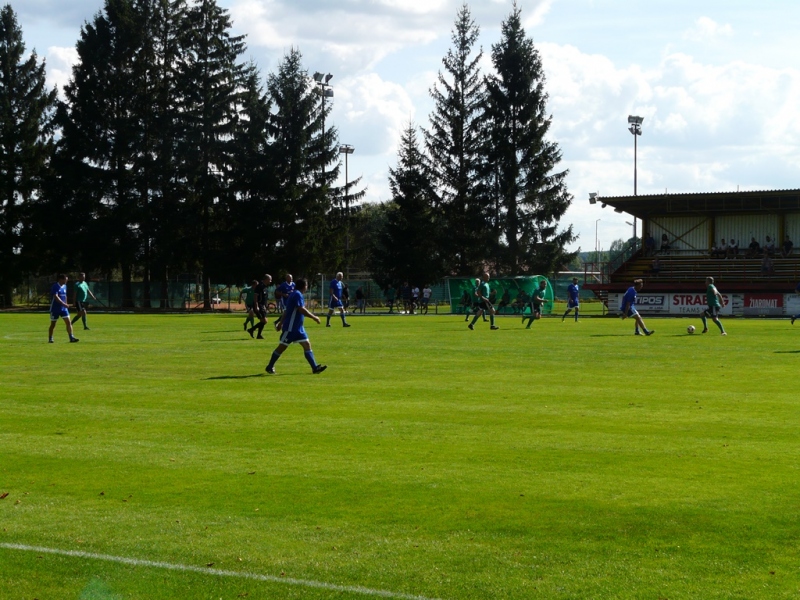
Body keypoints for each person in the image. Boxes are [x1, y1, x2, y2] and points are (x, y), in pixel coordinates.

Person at [265, 278, 327, 375]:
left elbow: (287, 310)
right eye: (306, 285)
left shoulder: (295, 294)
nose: (307, 287)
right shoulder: (297, 294)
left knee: (307, 344)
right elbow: (301, 309)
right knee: (281, 347)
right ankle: (269, 366)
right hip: (291, 328)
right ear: (304, 286)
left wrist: (280, 323)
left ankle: (315, 368)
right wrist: (314, 317)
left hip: (298, 328)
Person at [48, 274, 79, 343]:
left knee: (68, 322)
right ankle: (50, 338)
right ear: (60, 279)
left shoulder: (65, 286)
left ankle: (71, 337)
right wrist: (63, 304)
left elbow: (65, 296)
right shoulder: (55, 286)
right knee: (53, 324)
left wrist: (66, 303)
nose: (66, 281)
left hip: (64, 309)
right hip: (55, 309)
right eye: (65, 279)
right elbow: (56, 296)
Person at [248, 274, 272, 339]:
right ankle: (252, 330)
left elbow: (264, 298)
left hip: (262, 305)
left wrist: (266, 305)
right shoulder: (259, 286)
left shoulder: (265, 287)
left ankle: (257, 334)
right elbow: (255, 296)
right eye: (270, 280)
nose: (271, 281)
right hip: (259, 305)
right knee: (264, 321)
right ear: (266, 279)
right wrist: (256, 306)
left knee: (263, 321)